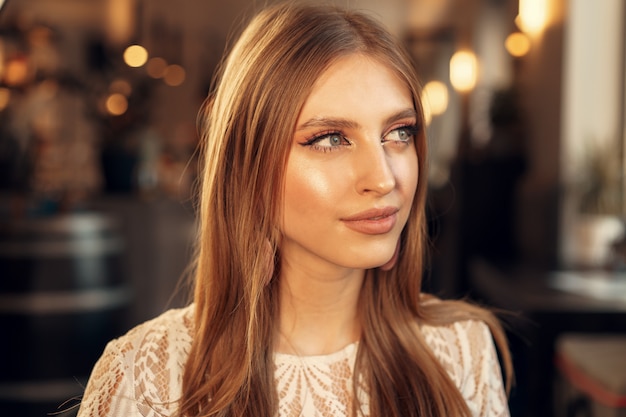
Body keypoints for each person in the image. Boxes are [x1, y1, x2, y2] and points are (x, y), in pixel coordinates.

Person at [77, 2, 513, 416]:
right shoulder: (144, 377)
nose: (383, 178)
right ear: (247, 167)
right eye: (329, 139)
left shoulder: (461, 353)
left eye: (399, 132)